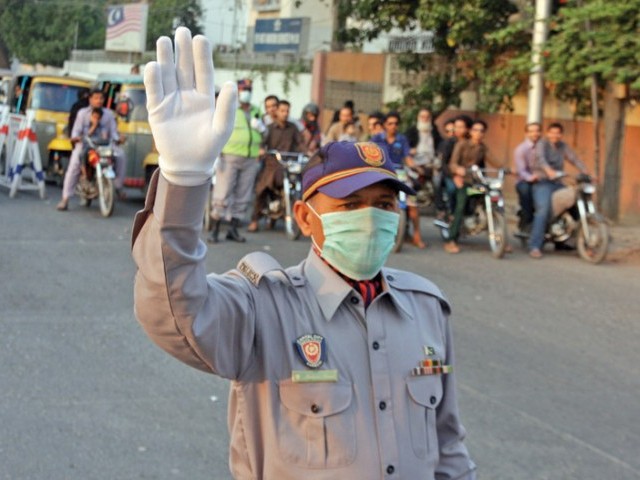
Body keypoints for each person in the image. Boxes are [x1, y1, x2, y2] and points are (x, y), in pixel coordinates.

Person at [133, 27, 477, 479]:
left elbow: (446, 441)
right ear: (304, 217)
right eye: (351, 205)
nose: (372, 218)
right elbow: (172, 313)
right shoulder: (262, 307)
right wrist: (184, 179)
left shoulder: (427, 307)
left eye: (385, 204)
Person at [208, 78, 263, 243]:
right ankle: (215, 230)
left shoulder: (255, 110)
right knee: (222, 193)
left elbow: (263, 132)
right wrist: (216, 153)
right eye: (244, 89)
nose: (247, 92)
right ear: (238, 92)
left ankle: (233, 230)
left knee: (243, 195)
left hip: (251, 158)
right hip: (229, 156)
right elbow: (217, 129)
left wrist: (261, 128)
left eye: (249, 89)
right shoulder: (229, 109)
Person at [56, 88, 126, 211]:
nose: (99, 101)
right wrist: (78, 137)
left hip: (104, 146)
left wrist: (119, 138)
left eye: (101, 98)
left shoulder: (109, 114)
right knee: (74, 165)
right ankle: (65, 198)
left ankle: (118, 186)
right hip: (85, 145)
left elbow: (113, 133)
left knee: (120, 155)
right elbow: (75, 133)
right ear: (90, 99)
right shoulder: (82, 113)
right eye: (96, 98)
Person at [528, 122, 590, 259]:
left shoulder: (563, 146)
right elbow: (541, 159)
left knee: (577, 204)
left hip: (558, 183)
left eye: (558, 133)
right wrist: (548, 171)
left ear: (561, 135)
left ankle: (580, 243)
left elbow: (574, 158)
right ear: (548, 133)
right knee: (543, 210)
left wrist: (586, 171)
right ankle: (535, 246)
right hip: (542, 183)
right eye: (552, 132)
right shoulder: (542, 144)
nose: (555, 135)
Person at [445, 119, 501, 253]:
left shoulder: (483, 147)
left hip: (477, 181)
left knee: (494, 198)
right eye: (476, 130)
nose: (479, 133)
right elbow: (452, 163)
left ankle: (500, 237)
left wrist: (507, 169)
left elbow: (494, 160)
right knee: (461, 205)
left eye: (482, 131)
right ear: (470, 132)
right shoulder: (462, 145)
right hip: (464, 181)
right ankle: (451, 240)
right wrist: (458, 170)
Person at [372, 111, 427, 249]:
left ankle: (416, 235)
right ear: (384, 125)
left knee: (413, 203)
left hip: (400, 174)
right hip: (381, 174)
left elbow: (407, 158)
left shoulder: (402, 139)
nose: (393, 126)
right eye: (390, 123)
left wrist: (416, 168)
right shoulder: (376, 139)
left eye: (396, 124)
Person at [247, 99, 303, 232]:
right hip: (271, 166)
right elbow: (262, 143)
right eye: (282, 111)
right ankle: (254, 220)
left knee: (299, 186)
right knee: (261, 189)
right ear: (277, 111)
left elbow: (300, 143)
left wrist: (307, 152)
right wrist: (261, 150)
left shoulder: (293, 128)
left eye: (287, 111)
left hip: (288, 166)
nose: (285, 113)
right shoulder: (270, 128)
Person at [513, 122, 544, 232]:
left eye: (537, 131)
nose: (535, 133)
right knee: (526, 191)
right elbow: (521, 171)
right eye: (531, 131)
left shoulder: (544, 148)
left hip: (542, 180)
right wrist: (531, 178)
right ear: (526, 133)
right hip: (525, 181)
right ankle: (527, 221)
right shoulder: (521, 149)